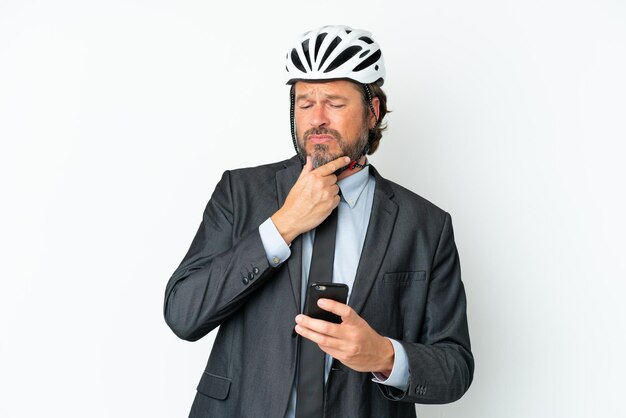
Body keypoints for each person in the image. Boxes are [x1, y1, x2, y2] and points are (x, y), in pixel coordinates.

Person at [164, 25, 474, 418]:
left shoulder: (425, 224)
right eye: (305, 102)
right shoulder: (240, 192)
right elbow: (183, 315)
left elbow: (456, 367)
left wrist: (383, 355)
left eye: (335, 102)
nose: (317, 119)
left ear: (373, 111)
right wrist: (282, 225)